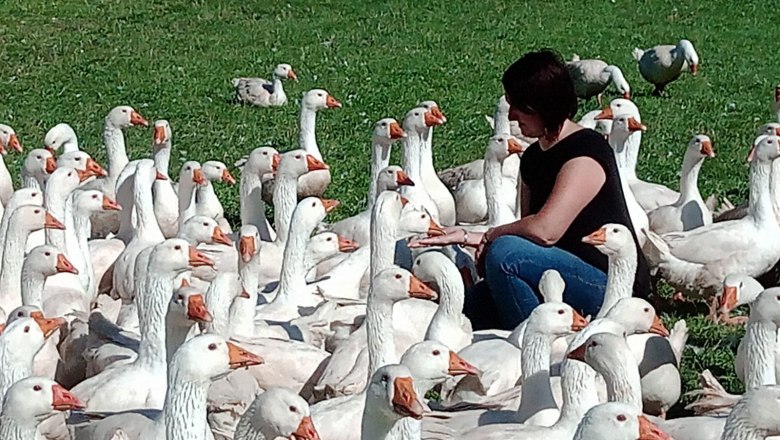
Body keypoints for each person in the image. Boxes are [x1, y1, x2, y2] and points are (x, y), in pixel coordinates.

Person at [411, 49, 652, 330]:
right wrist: (470, 238)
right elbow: (530, 235)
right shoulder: (532, 158)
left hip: (608, 283)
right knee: (469, 305)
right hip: (556, 276)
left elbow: (546, 231)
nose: (512, 115)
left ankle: (534, 349)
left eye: (519, 105)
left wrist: (487, 237)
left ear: (543, 105)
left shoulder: (586, 151)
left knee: (505, 254)